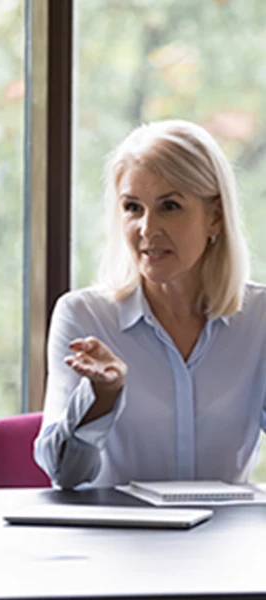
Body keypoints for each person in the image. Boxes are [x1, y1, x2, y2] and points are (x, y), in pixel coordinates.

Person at [33, 119, 266, 490]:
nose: (147, 228)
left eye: (170, 206)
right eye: (132, 208)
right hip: (120, 543)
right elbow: (64, 476)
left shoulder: (259, 319)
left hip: (226, 543)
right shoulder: (83, 316)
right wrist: (100, 398)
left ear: (215, 217)